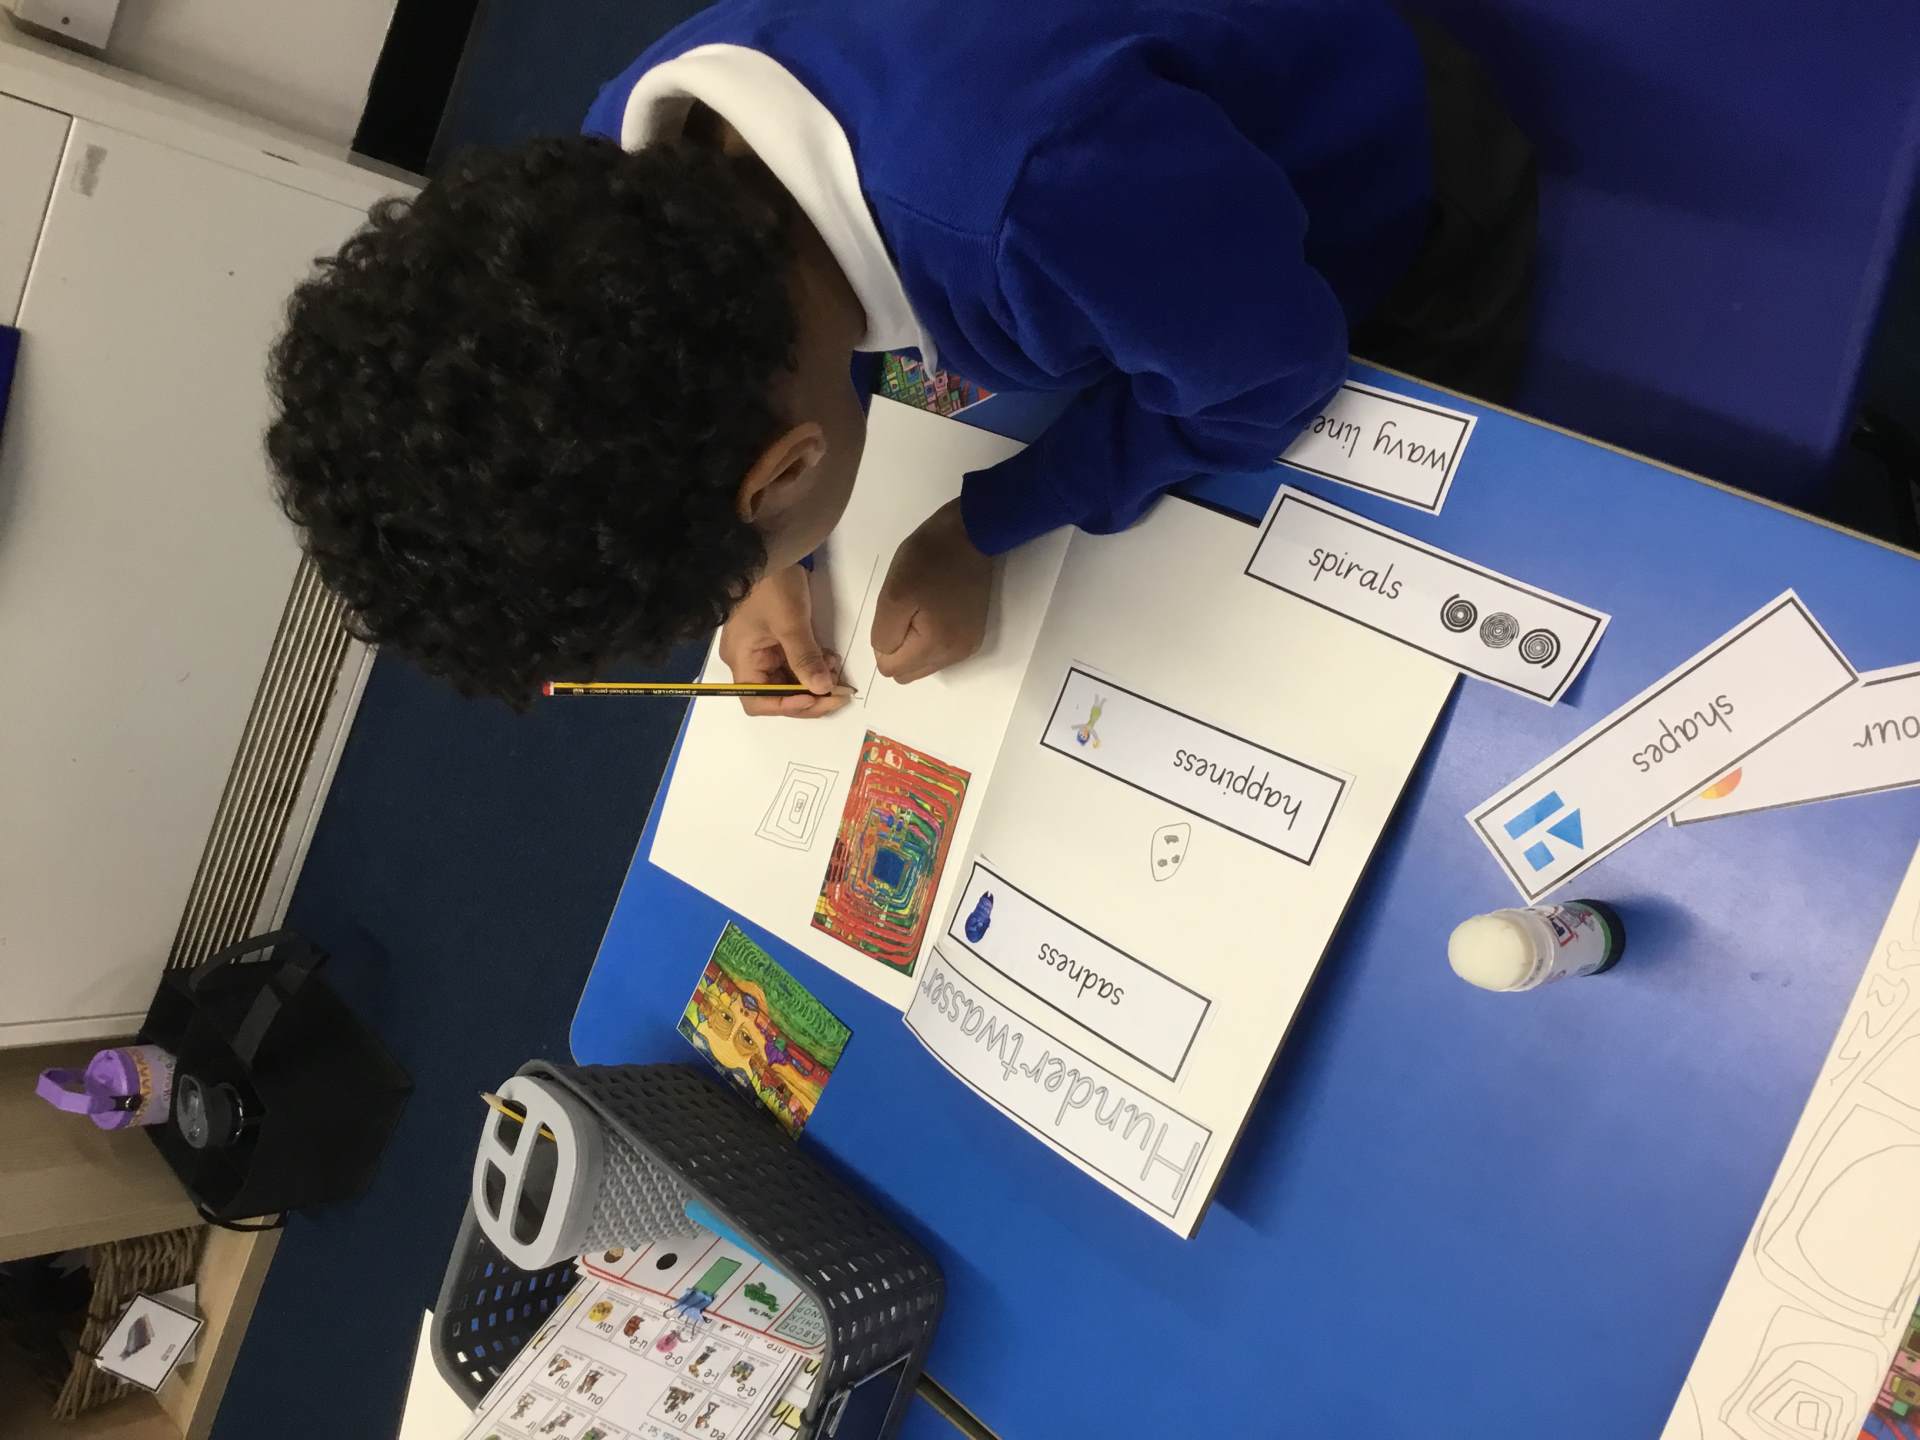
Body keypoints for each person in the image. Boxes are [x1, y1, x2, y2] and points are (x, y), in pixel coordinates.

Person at [266, 0, 1534, 714]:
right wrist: (778, 559)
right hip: (1121, 168)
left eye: (731, 570)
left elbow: (1275, 369)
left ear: (783, 469)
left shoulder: (1032, 199)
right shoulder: (630, 154)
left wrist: (986, 523)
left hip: (1378, 150)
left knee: (1416, 505)